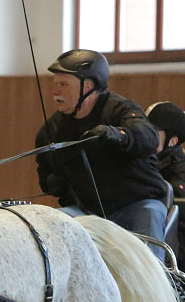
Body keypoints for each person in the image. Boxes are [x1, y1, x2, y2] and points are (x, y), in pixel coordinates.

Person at [35, 49, 169, 248]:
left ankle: (157, 276)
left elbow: (149, 137)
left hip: (137, 205)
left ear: (87, 86)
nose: (55, 92)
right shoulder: (50, 130)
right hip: (88, 212)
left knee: (150, 214)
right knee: (52, 223)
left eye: (63, 85)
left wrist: (119, 135)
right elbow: (46, 179)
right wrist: (52, 183)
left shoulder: (120, 109)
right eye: (55, 84)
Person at [146, 101, 185, 200]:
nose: (146, 134)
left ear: (172, 141)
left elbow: (178, 204)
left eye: (153, 130)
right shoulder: (139, 158)